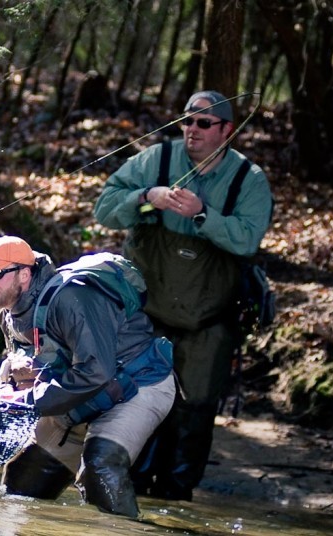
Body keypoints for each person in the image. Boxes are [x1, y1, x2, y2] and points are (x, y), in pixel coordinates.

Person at [93, 90, 274, 500]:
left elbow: (248, 240)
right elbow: (104, 209)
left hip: (209, 320)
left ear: (227, 131)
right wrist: (145, 197)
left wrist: (202, 215)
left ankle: (175, 500)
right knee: (132, 401)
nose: (192, 130)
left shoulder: (250, 180)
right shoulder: (154, 160)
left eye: (204, 123)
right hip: (144, 314)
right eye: (187, 121)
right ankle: (124, 490)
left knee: (193, 413)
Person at [0, 235, 176, 518]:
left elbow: (95, 372)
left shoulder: (73, 297)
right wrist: (6, 390)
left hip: (138, 384)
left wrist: (29, 401)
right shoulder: (10, 311)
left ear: (24, 274)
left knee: (100, 467)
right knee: (23, 480)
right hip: (79, 393)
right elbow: (20, 363)